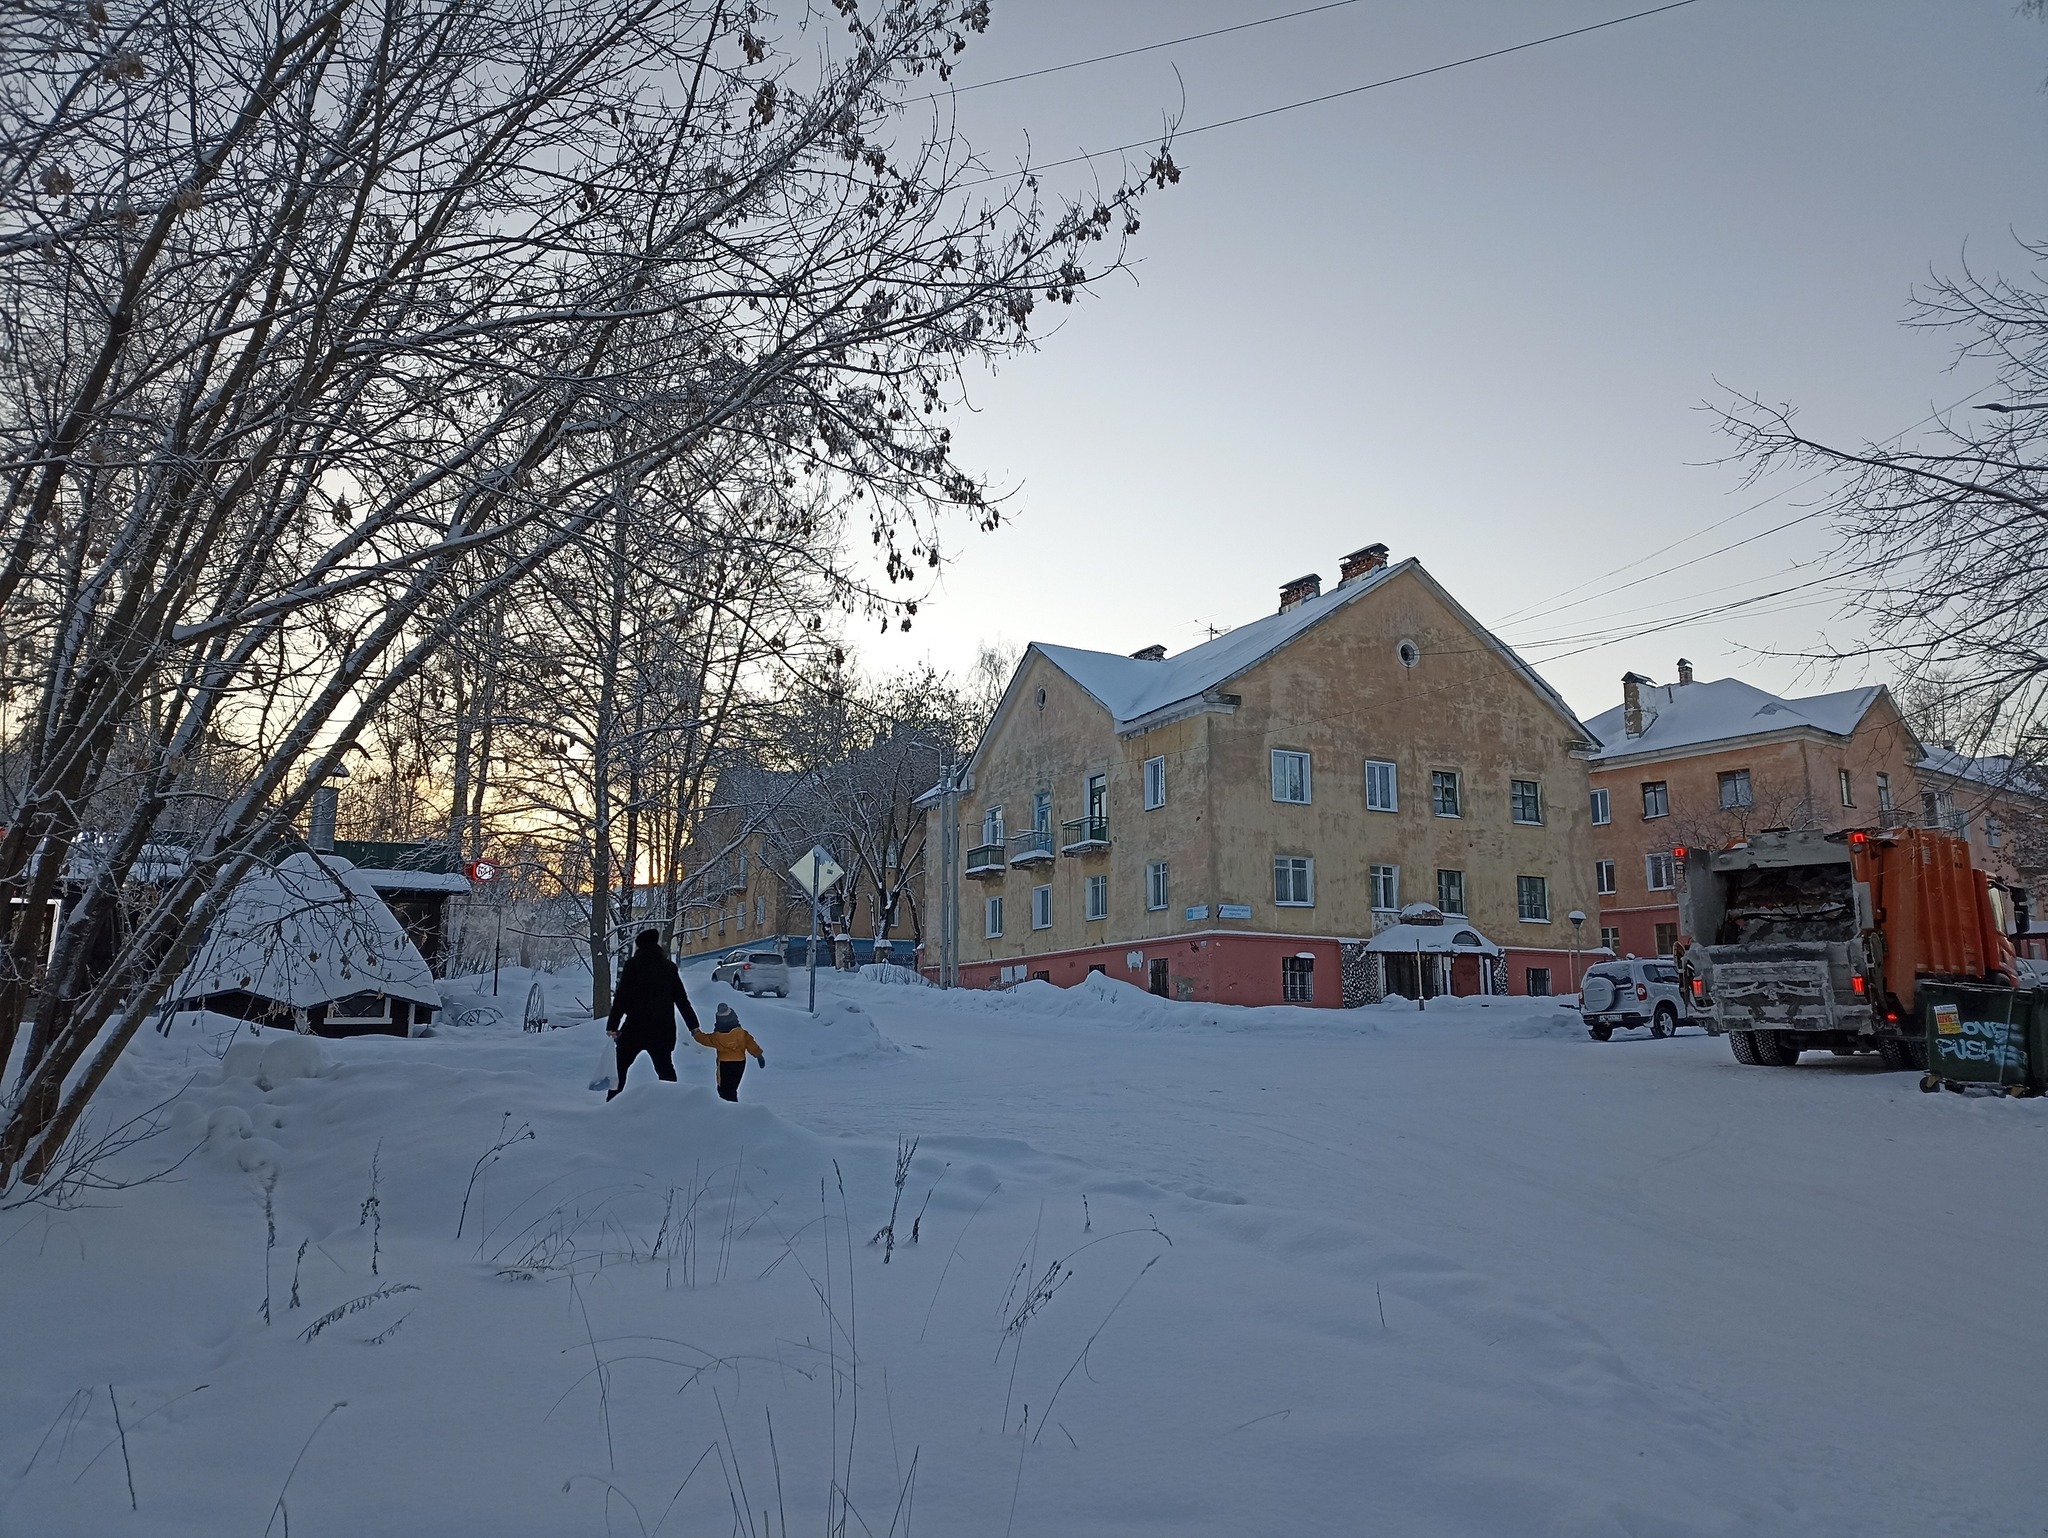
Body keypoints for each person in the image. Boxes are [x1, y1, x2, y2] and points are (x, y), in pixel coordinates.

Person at [605, 929, 699, 1101]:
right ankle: (674, 1104)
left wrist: (612, 1026)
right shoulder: (669, 968)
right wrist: (694, 1026)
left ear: (639, 946)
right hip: (663, 1030)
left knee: (620, 1070)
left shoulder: (633, 965)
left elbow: (621, 998)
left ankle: (610, 1106)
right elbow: (682, 1000)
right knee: (665, 1070)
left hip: (635, 1028)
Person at [690, 1002, 766, 1101]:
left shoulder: (716, 1038)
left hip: (725, 1064)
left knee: (723, 1088)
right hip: (740, 1063)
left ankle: (729, 1107)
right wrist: (758, 1055)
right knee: (733, 1086)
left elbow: (703, 1039)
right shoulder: (742, 1034)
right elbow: (751, 1043)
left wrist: (696, 1032)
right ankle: (731, 1102)